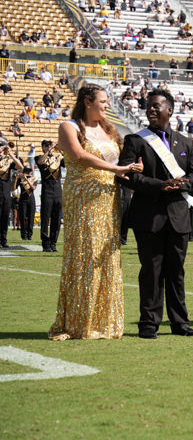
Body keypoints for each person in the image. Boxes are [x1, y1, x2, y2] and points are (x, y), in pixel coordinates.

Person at [49, 84, 143, 340]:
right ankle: (79, 322)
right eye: (103, 101)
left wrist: (136, 166)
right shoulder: (69, 127)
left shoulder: (109, 129)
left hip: (108, 198)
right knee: (84, 253)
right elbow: (79, 156)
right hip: (82, 198)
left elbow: (122, 162)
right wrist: (117, 170)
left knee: (105, 255)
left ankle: (104, 321)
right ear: (87, 101)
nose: (108, 106)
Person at [116, 89, 193, 339]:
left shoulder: (187, 143)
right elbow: (126, 175)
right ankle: (148, 323)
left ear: (170, 110)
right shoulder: (135, 140)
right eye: (148, 106)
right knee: (151, 272)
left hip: (179, 216)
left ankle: (180, 323)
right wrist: (159, 185)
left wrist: (183, 184)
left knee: (176, 272)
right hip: (149, 215)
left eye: (156, 106)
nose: (151, 109)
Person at [35, 139, 64, 251]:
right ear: (43, 147)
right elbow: (40, 162)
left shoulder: (58, 158)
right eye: (46, 145)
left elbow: (68, 163)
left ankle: (53, 243)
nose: (49, 147)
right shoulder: (38, 157)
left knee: (57, 219)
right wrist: (49, 151)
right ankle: (45, 244)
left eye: (50, 145)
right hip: (47, 189)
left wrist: (60, 150)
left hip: (57, 189)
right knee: (45, 217)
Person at [0, 144, 24, 248]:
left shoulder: (8, 161)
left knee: (5, 216)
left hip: (5, 190)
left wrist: (11, 155)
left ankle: (3, 240)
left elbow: (20, 167)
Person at [14, 166, 36, 240]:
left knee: (31, 217)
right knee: (22, 217)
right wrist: (16, 179)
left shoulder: (34, 179)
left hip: (31, 200)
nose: (29, 173)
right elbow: (13, 188)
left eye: (30, 171)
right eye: (27, 171)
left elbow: (33, 188)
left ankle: (30, 234)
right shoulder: (21, 179)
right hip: (23, 200)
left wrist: (26, 179)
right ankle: (23, 234)